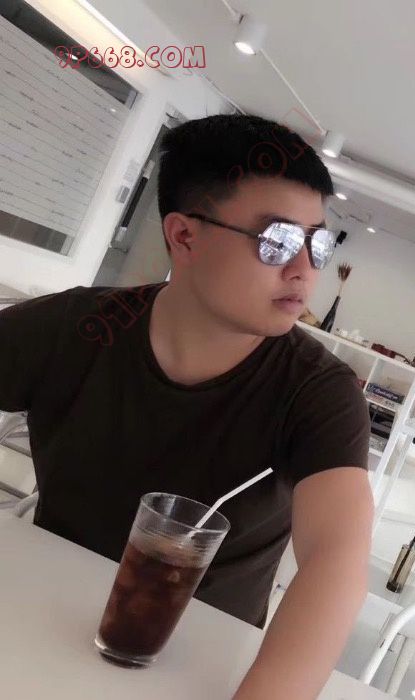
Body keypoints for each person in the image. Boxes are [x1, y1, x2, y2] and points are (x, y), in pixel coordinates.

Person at [0, 114, 374, 699]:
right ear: (184, 236)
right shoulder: (77, 328)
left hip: (201, 663)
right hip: (37, 614)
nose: (303, 270)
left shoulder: (318, 391)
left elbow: (336, 558)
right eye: (276, 241)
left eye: (317, 244)